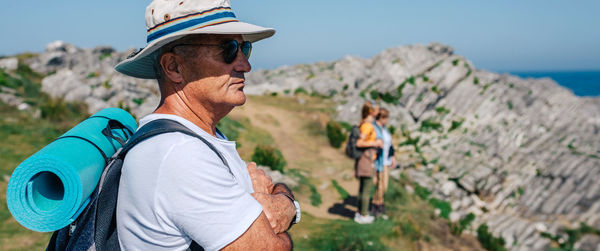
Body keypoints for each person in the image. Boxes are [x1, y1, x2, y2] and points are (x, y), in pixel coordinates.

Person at [114, 0, 300, 250]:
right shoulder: (179, 153)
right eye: (229, 49)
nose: (245, 64)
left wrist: (283, 204)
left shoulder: (197, 138)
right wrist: (284, 202)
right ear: (174, 67)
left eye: (245, 48)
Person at [353, 101, 383, 224]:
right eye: (376, 109)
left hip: (365, 159)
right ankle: (363, 215)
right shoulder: (367, 126)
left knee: (363, 188)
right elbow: (359, 143)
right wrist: (375, 143)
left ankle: (360, 213)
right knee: (366, 188)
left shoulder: (365, 124)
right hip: (367, 159)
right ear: (371, 112)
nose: (378, 111)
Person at [372, 108, 395, 219]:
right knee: (379, 185)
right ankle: (377, 205)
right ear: (381, 118)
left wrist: (393, 156)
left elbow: (390, 144)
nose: (387, 120)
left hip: (386, 160)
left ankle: (378, 203)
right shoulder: (374, 128)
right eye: (386, 118)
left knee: (384, 185)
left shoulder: (385, 130)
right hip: (378, 161)